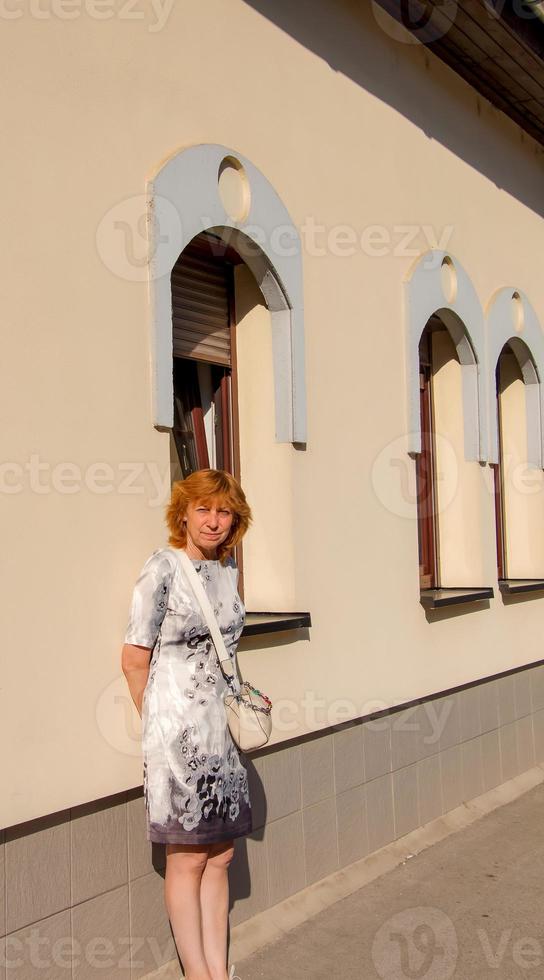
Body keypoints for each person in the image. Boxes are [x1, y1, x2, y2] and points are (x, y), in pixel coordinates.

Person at [121, 468, 253, 980]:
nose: (214, 521)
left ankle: (218, 971)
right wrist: (159, 725)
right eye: (203, 509)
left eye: (224, 511)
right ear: (183, 513)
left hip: (221, 734)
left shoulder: (229, 569)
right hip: (178, 737)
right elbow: (134, 657)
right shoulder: (163, 568)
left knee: (220, 855)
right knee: (187, 858)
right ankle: (197, 974)